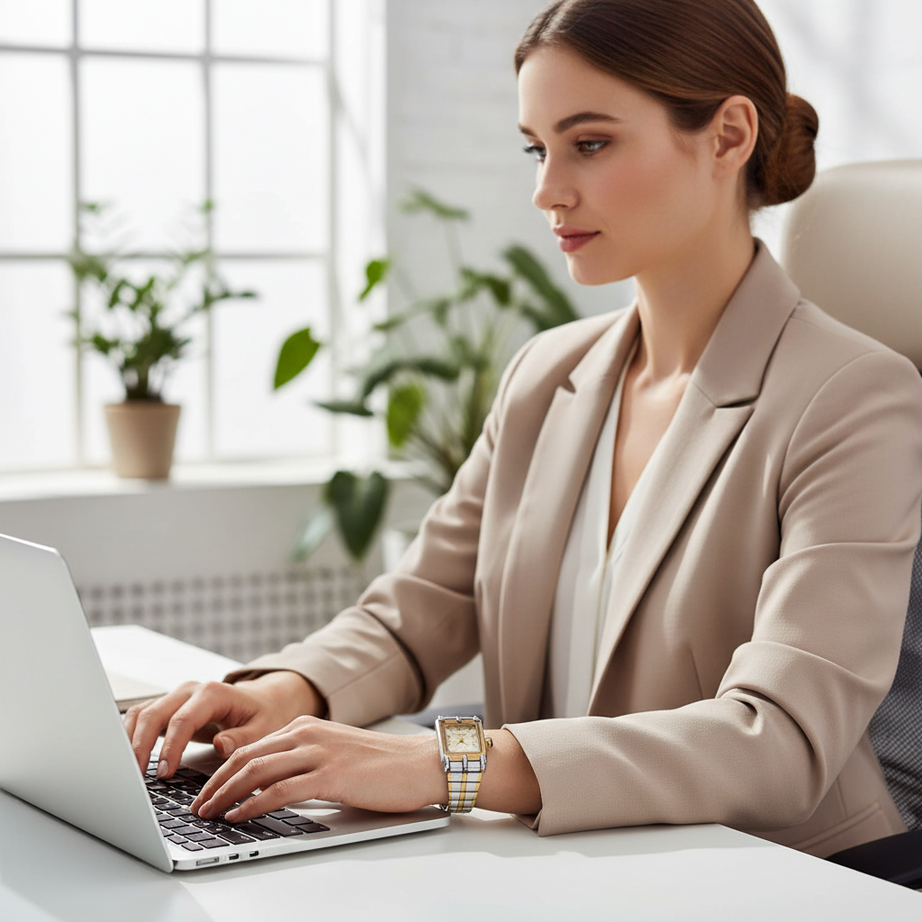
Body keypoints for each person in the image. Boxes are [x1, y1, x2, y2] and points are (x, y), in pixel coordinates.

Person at [126, 0, 922, 857]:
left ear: (728, 137)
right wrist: (290, 689)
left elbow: (778, 739)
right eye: (536, 148)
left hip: (781, 873)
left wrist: (446, 764)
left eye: (590, 143)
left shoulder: (854, 397)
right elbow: (422, 607)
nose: (547, 190)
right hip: (566, 861)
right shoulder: (547, 374)